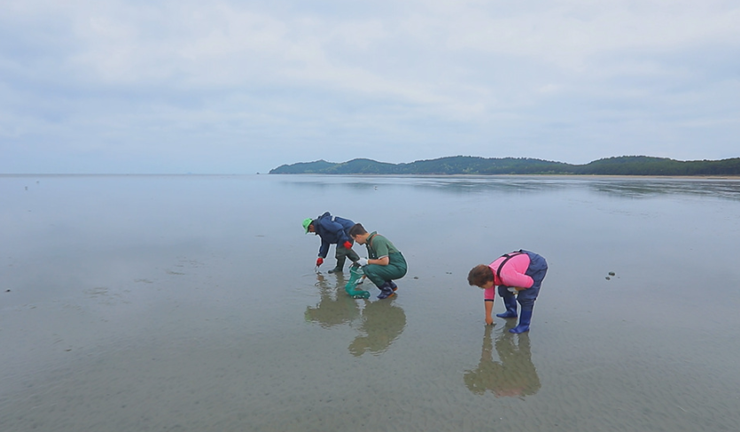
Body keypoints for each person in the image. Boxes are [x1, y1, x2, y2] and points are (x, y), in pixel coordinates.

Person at [467, 250, 548, 333]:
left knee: (526, 298)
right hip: (517, 263)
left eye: (481, 286)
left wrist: (515, 289)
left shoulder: (507, 276)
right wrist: (488, 316)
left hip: (536, 265)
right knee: (503, 290)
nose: (481, 288)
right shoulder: (488, 273)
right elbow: (489, 297)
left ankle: (524, 326)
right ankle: (511, 312)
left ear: (487, 281)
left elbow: (530, 283)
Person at [348, 223, 407, 299]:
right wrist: (360, 266)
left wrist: (367, 262)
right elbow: (373, 261)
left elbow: (384, 261)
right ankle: (391, 286)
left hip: (398, 268)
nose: (355, 241)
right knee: (368, 267)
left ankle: (387, 291)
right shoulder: (369, 242)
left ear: (358, 236)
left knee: (368, 268)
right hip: (392, 266)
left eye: (354, 239)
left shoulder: (377, 240)